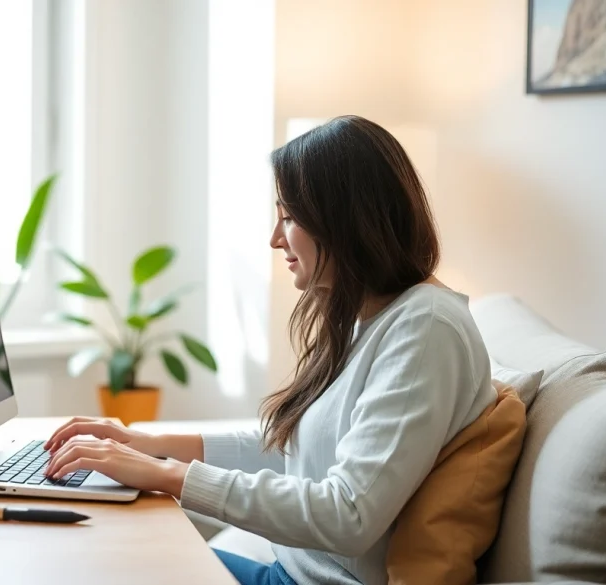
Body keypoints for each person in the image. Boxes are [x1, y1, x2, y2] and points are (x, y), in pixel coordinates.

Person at [42, 115, 496, 585]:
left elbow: (349, 514)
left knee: (100, 560)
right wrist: (146, 445)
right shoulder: (373, 318)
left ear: (345, 222)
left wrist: (170, 475)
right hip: (285, 572)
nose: (276, 238)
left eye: (289, 217)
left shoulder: (426, 330)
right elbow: (295, 454)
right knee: (100, 548)